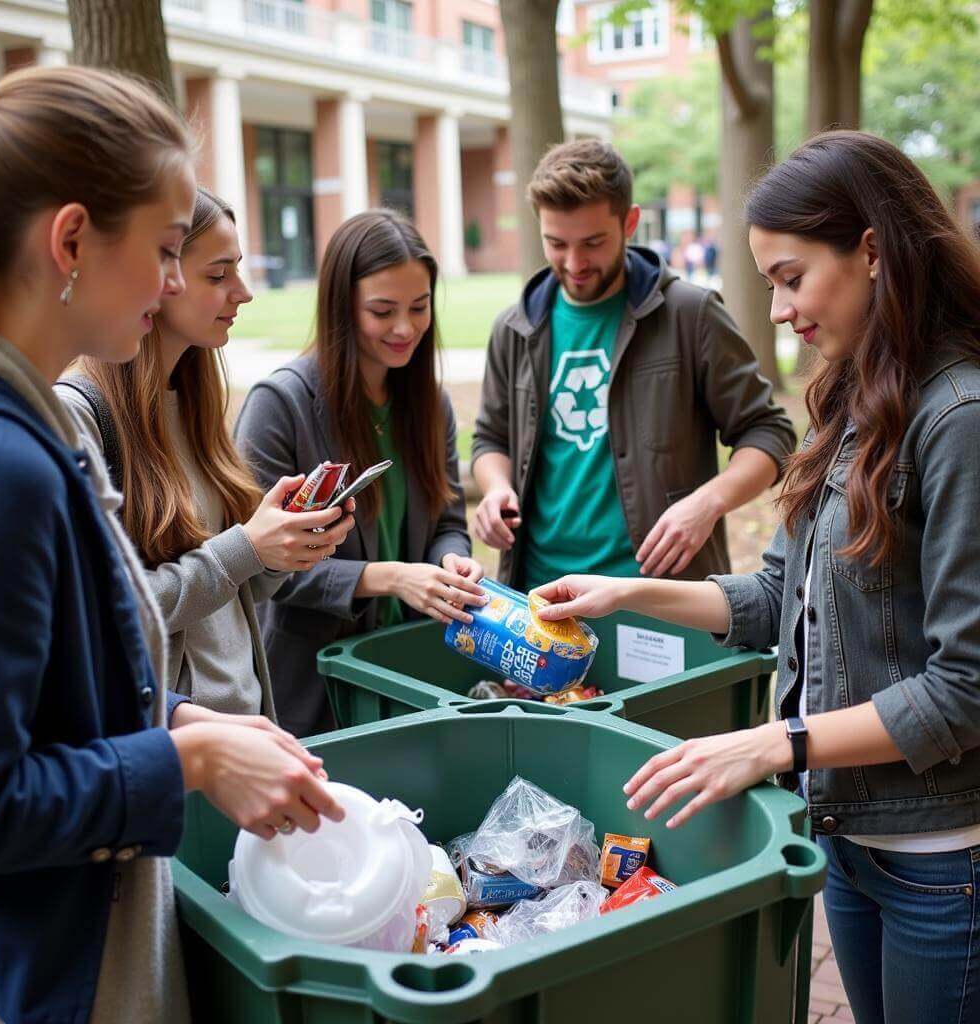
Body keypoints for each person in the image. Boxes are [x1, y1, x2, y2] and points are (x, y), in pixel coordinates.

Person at [535, 131, 980, 1024]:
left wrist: (781, 743)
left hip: (942, 861)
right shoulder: (856, 396)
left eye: (790, 277)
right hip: (848, 844)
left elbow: (965, 688)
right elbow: (775, 599)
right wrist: (622, 594)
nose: (777, 310)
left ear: (873, 251)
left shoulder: (959, 418)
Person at [0, 68, 342, 1024]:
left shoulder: (40, 426)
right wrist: (192, 765)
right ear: (73, 241)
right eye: (171, 251)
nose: (181, 283)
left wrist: (183, 721)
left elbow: (57, 692)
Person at [57, 186, 354, 720]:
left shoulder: (193, 396)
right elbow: (112, 613)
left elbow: (232, 591)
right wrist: (244, 546)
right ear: (159, 279)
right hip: (179, 745)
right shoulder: (80, 415)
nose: (243, 292)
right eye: (217, 276)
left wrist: (284, 544)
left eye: (237, 269)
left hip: (248, 725)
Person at [471, 138, 796, 594]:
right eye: (556, 243)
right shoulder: (514, 328)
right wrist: (494, 488)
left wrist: (706, 504)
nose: (574, 262)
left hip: (660, 596)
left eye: (593, 242)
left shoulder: (691, 314)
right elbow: (489, 436)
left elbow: (769, 433)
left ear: (630, 222)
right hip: (539, 597)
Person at [235, 209, 486, 737]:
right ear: (341, 307)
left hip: (411, 673)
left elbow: (447, 518)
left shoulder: (429, 403)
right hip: (311, 687)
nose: (405, 328)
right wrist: (391, 578)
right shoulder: (280, 404)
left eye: (419, 308)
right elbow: (260, 567)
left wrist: (451, 563)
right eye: (382, 310)